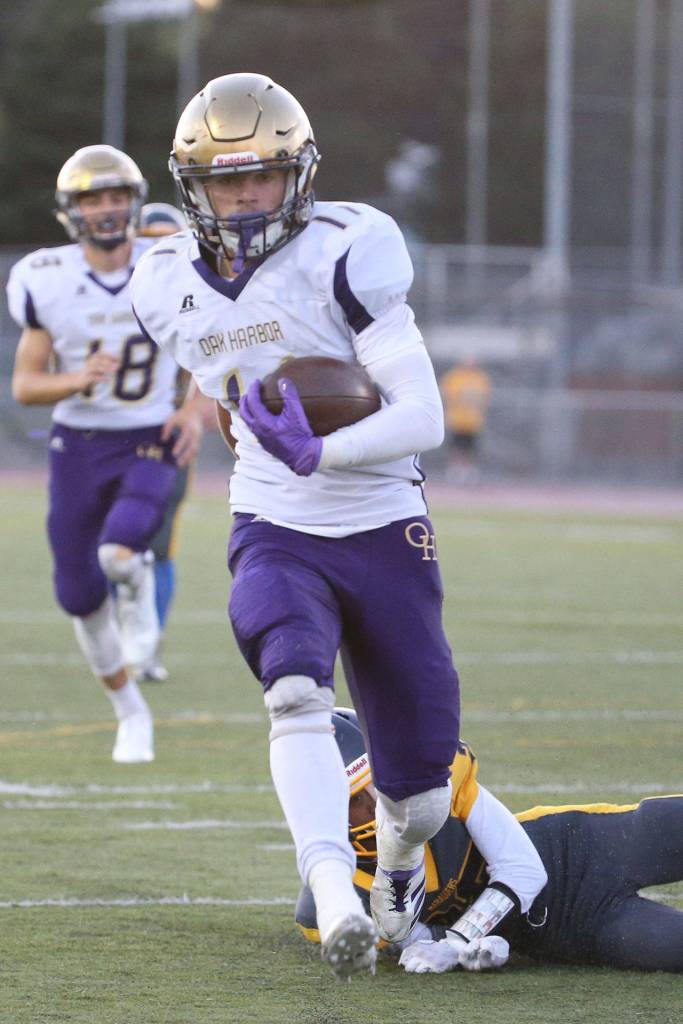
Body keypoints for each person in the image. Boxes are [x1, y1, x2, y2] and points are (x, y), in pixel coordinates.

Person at [130, 72, 542, 976]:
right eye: (222, 181)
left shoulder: (349, 249)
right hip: (273, 515)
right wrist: (265, 445)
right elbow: (222, 387)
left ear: (300, 174)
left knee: (422, 798)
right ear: (189, 188)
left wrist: (325, 451)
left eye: (261, 177)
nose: (242, 198)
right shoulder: (163, 282)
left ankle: (395, 872)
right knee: (292, 688)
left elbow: (423, 417)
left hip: (382, 515)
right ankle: (329, 886)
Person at [7, 145, 204, 763]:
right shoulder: (47, 276)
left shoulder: (167, 265)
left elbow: (209, 343)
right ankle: (130, 711)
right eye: (95, 198)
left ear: (135, 201)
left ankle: (136, 572)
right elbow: (26, 385)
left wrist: (192, 409)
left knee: (120, 550)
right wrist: (78, 379)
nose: (109, 209)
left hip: (149, 435)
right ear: (73, 211)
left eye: (118, 196)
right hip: (77, 444)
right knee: (77, 593)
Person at [295, 709, 683, 974]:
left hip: (576, 847)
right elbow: (418, 944)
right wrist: (462, 948)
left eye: (376, 783)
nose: (375, 803)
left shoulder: (433, 788)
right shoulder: (338, 898)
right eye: (353, 800)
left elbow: (524, 870)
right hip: (570, 930)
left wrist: (460, 940)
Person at [137, 202, 194, 683]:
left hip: (163, 439)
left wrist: (191, 413)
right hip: (109, 441)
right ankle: (124, 640)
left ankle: (147, 643)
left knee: (156, 548)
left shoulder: (195, 298)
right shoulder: (108, 295)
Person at [439, 357, 491, 483]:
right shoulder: (454, 377)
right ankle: (455, 471)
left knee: (471, 448)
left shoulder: (480, 378)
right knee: (455, 447)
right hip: (457, 420)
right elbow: (445, 394)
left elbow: (485, 398)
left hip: (473, 421)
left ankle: (469, 472)